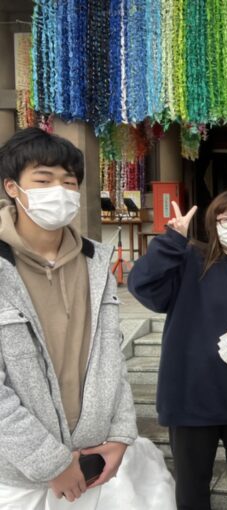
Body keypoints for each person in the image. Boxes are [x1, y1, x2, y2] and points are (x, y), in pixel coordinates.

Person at [0, 128, 137, 508]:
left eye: (69, 182)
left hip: (92, 462)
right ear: (12, 187)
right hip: (16, 475)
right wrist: (52, 463)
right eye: (43, 180)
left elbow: (111, 358)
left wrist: (121, 434)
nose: (59, 191)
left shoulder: (95, 262)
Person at [127, 190, 227, 510]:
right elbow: (142, 284)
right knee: (192, 491)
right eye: (226, 219)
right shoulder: (190, 259)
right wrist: (172, 240)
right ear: (212, 225)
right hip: (190, 395)